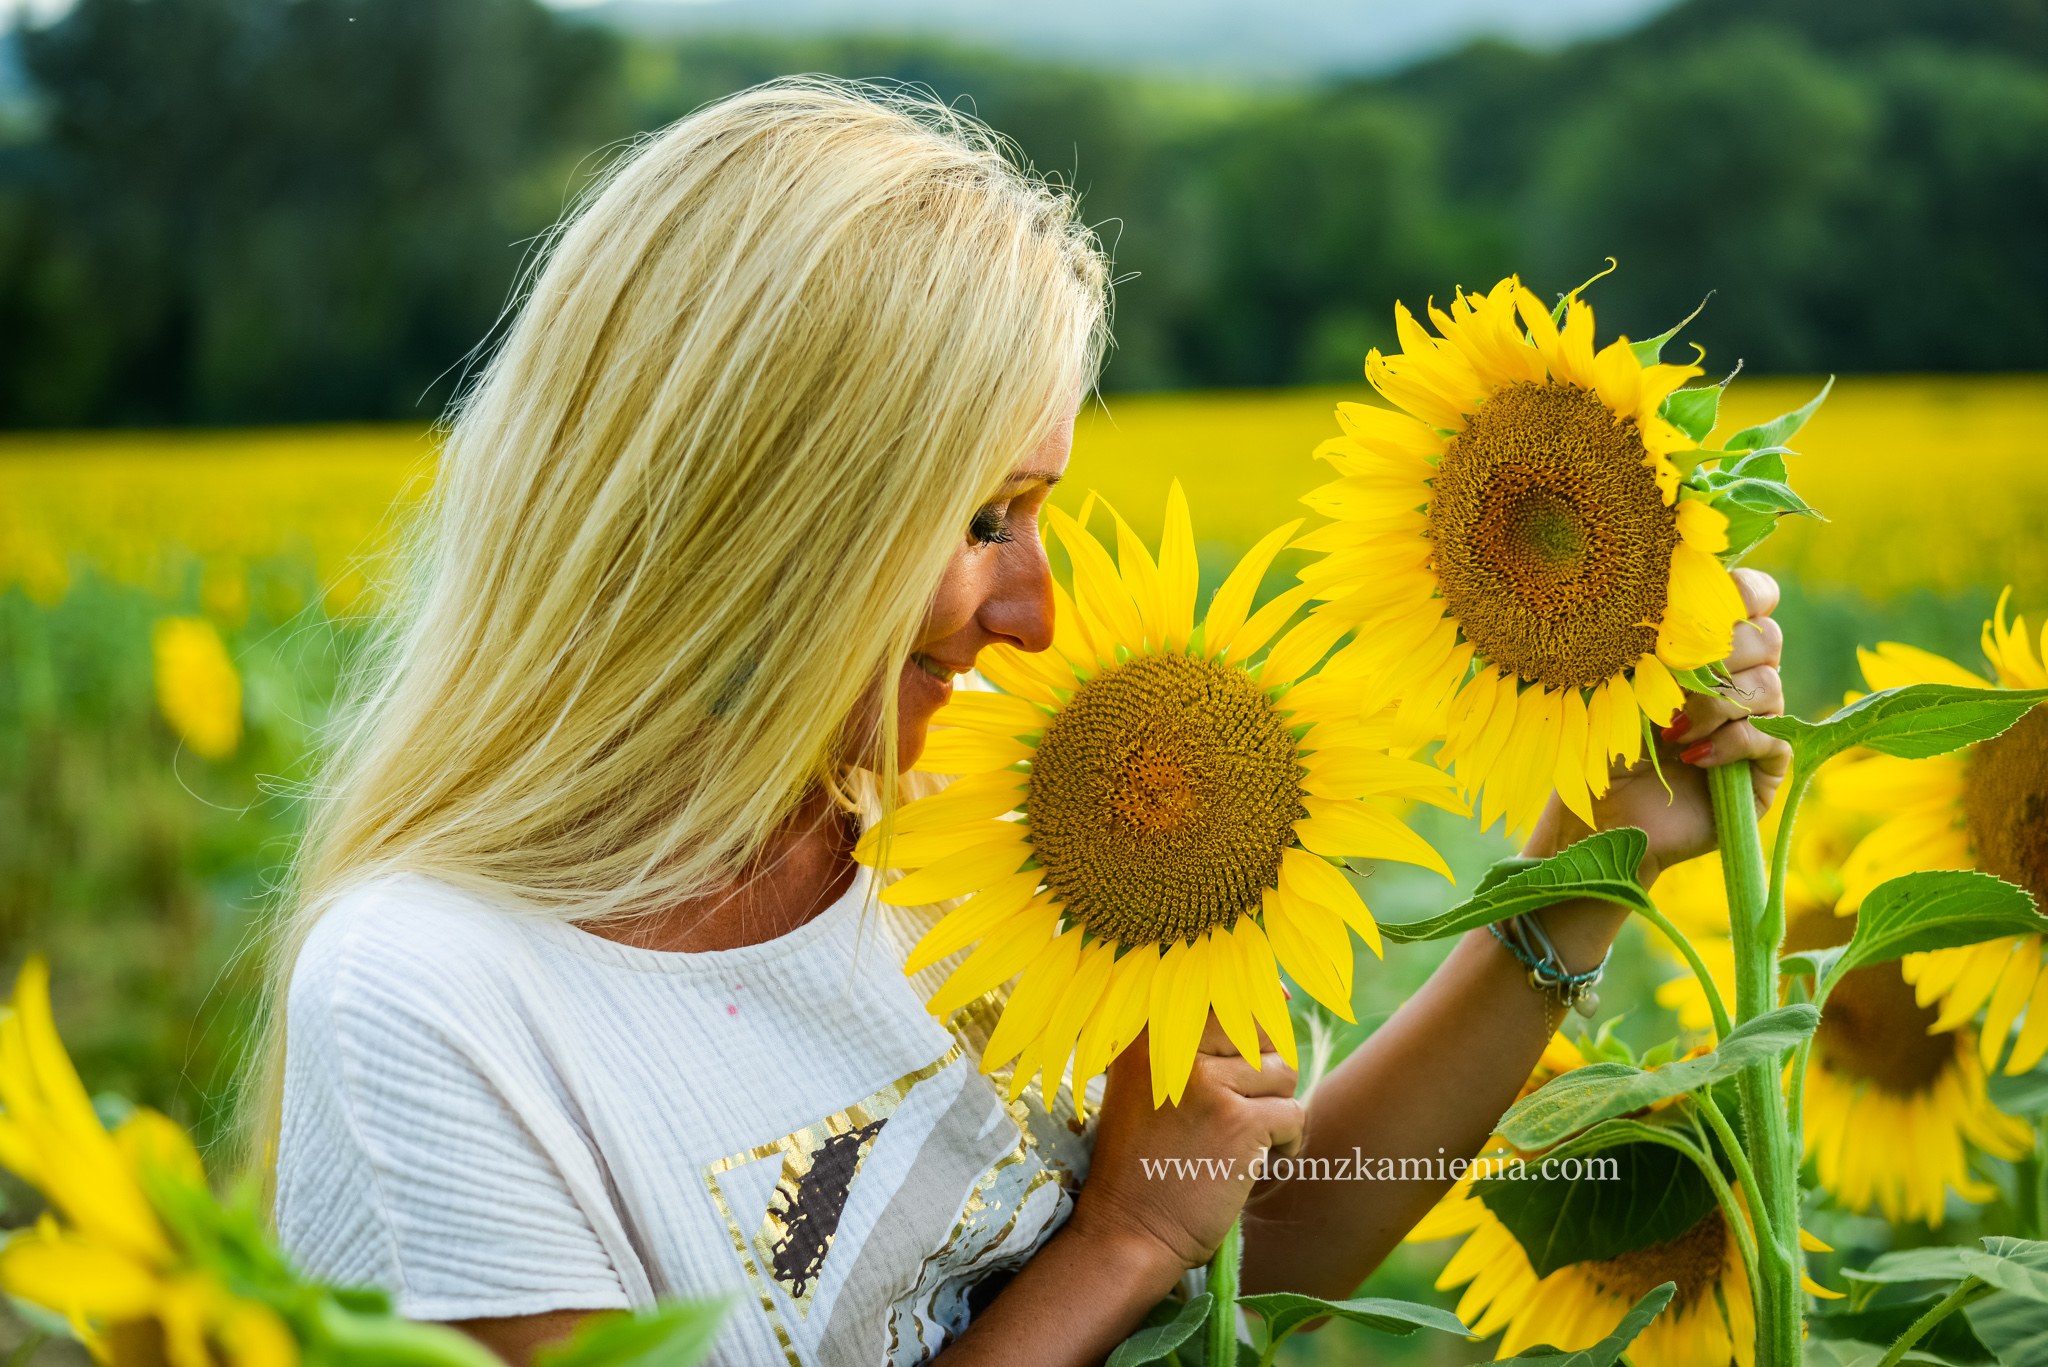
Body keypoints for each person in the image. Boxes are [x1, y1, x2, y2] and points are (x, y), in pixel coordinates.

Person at [257, 79, 1791, 1367]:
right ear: (763, 517)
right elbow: (1154, 1229)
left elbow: (1258, 1232)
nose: (1038, 615)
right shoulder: (436, 1005)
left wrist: (1591, 858)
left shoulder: (956, 816)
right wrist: (1113, 1241)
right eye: (988, 516)